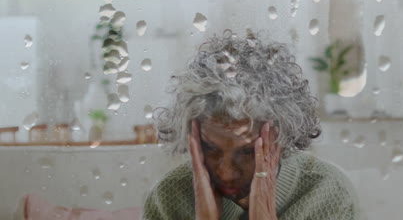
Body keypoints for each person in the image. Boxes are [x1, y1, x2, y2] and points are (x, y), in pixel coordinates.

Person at [142, 31, 360, 220]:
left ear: (282, 139)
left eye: (247, 151)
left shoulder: (326, 192)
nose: (226, 173)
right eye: (210, 148)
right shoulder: (167, 198)